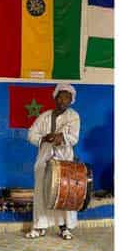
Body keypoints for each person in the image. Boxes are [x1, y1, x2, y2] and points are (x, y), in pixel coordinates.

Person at [26, 84, 81, 240]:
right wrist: (44, 138)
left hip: (64, 159)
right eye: (61, 96)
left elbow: (74, 138)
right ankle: (39, 226)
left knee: (64, 192)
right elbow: (31, 134)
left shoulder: (73, 117)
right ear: (55, 98)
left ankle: (64, 227)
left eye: (67, 98)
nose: (64, 100)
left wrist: (60, 138)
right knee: (41, 192)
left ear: (71, 100)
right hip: (44, 159)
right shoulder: (44, 116)